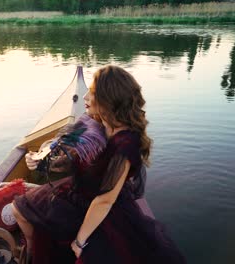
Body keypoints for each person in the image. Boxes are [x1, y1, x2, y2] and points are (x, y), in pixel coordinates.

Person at [12, 65, 186, 264]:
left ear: (107, 101)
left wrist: (79, 242)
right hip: (80, 190)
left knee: (27, 213)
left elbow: (105, 200)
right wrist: (39, 160)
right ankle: (30, 252)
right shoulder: (95, 123)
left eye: (92, 93)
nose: (85, 97)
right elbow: (64, 148)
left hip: (101, 204)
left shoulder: (126, 144)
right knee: (21, 210)